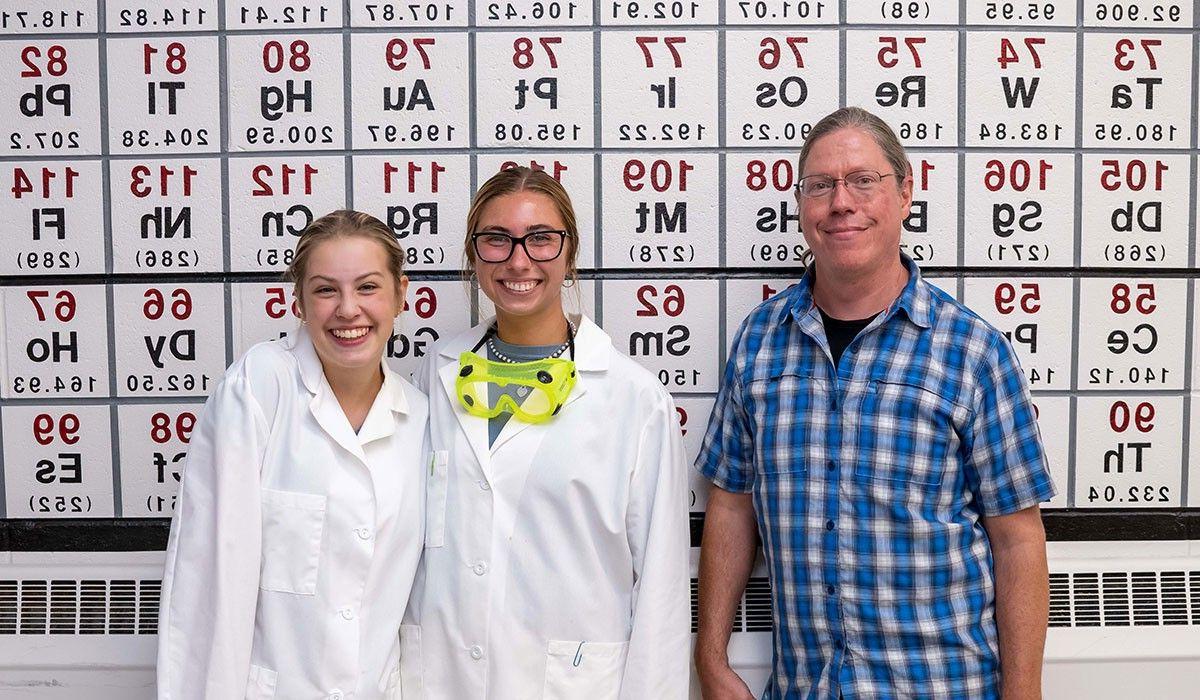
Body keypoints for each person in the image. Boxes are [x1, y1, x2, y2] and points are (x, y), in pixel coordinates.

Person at [694, 107, 1056, 700]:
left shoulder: (973, 352)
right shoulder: (758, 342)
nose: (841, 202)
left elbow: (1018, 538)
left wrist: (1024, 693)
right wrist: (710, 657)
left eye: (864, 180)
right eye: (821, 185)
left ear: (905, 193)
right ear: (802, 204)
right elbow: (732, 505)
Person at [400, 167, 690, 699]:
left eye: (540, 239)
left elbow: (663, 592)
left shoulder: (634, 400)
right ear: (473, 254)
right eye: (496, 240)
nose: (518, 260)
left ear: (569, 251)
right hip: (439, 679)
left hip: (570, 682)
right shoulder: (432, 374)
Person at [157, 210, 429, 699]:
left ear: (400, 294)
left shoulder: (421, 419)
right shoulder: (261, 386)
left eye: (368, 287)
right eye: (326, 290)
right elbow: (210, 580)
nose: (348, 310)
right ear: (298, 303)